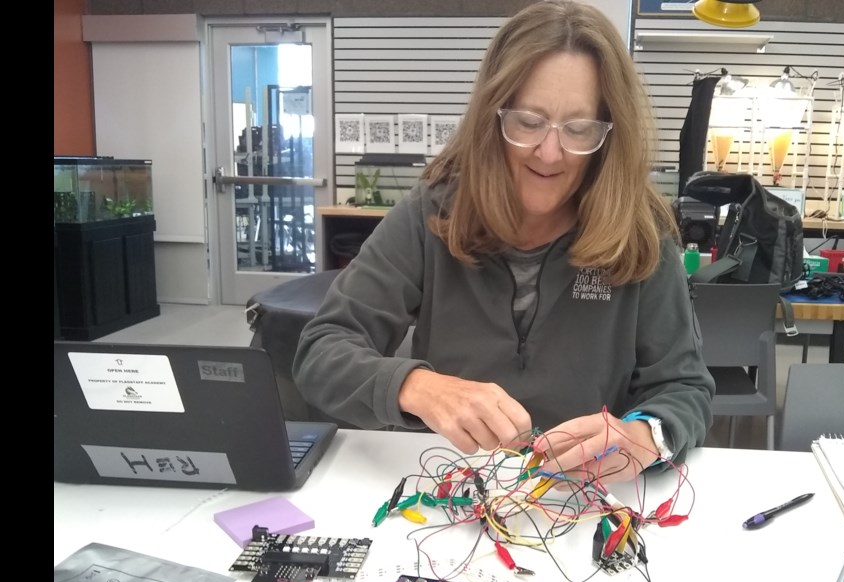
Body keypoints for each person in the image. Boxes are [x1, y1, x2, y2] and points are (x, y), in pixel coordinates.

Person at [293, 0, 715, 483]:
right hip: (448, 492)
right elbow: (321, 351)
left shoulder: (640, 232)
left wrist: (645, 436)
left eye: (578, 129)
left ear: (608, 134)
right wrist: (414, 384)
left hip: (584, 502)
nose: (550, 153)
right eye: (529, 122)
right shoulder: (433, 212)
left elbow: (684, 387)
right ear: (492, 117)